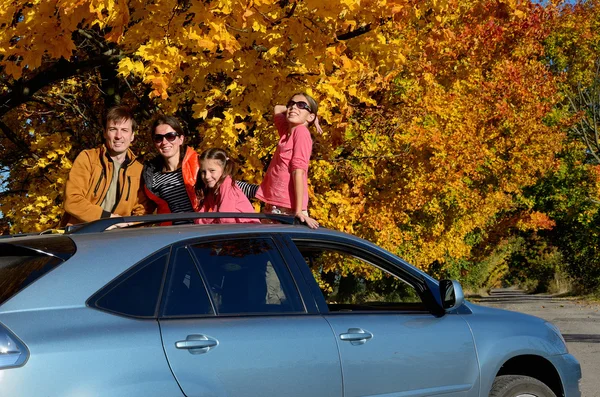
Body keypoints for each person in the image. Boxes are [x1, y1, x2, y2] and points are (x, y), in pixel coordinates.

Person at [60, 105, 147, 227]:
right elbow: (72, 201)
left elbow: (142, 211)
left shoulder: (139, 171)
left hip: (119, 238)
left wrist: (129, 225)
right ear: (105, 133)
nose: (118, 136)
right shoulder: (88, 158)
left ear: (132, 136)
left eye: (124, 130)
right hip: (81, 233)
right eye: (113, 129)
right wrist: (108, 218)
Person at [255, 92, 322, 229]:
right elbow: (277, 108)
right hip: (276, 203)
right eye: (291, 104)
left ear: (310, 116)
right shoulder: (287, 132)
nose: (293, 107)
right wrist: (306, 114)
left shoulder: (301, 132)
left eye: (301, 105)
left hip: (288, 207)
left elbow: (298, 171)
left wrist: (298, 211)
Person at [141, 115, 200, 223]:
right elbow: (144, 209)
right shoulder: (152, 176)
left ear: (181, 139)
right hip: (173, 236)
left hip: (201, 234)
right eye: (158, 138)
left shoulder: (198, 164)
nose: (164, 142)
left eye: (170, 136)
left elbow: (226, 187)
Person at [195, 148, 258, 224]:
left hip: (249, 231)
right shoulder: (212, 189)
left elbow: (226, 218)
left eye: (212, 171)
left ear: (224, 169)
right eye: (203, 172)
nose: (207, 176)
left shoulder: (227, 185)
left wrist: (206, 221)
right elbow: (201, 214)